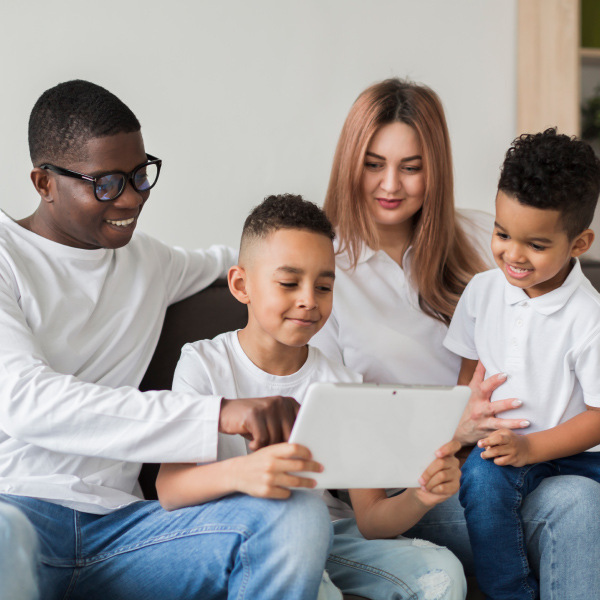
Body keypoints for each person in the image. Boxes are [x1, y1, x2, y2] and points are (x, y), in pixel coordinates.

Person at [0, 80, 333, 600]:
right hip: (18, 513)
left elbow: (251, 265)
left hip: (125, 531)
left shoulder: (148, 260)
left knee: (297, 515)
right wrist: (216, 413)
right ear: (44, 182)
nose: (132, 198)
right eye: (107, 183)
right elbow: (26, 401)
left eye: (139, 175)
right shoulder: (5, 256)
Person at [310, 77, 600, 599]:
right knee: (575, 505)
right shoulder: (325, 275)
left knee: (576, 491)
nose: (390, 185)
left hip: (513, 458)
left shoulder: (486, 238)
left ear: (435, 168)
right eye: (374, 163)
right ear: (350, 161)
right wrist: (457, 430)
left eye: (412, 166)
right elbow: (348, 442)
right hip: (417, 488)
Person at [157, 194, 467, 600]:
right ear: (240, 284)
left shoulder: (341, 382)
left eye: (324, 286)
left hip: (331, 532)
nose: (309, 299)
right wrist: (248, 474)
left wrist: (420, 496)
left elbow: (372, 520)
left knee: (443, 573)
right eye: (289, 283)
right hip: (247, 534)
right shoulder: (204, 363)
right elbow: (170, 488)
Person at [444, 128, 600, 600]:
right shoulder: (482, 292)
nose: (513, 254)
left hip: (577, 456)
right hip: (503, 447)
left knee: (576, 501)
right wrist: (461, 430)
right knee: (481, 476)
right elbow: (468, 377)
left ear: (578, 243)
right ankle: (511, 592)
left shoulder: (589, 318)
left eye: (535, 244)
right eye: (502, 233)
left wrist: (531, 450)